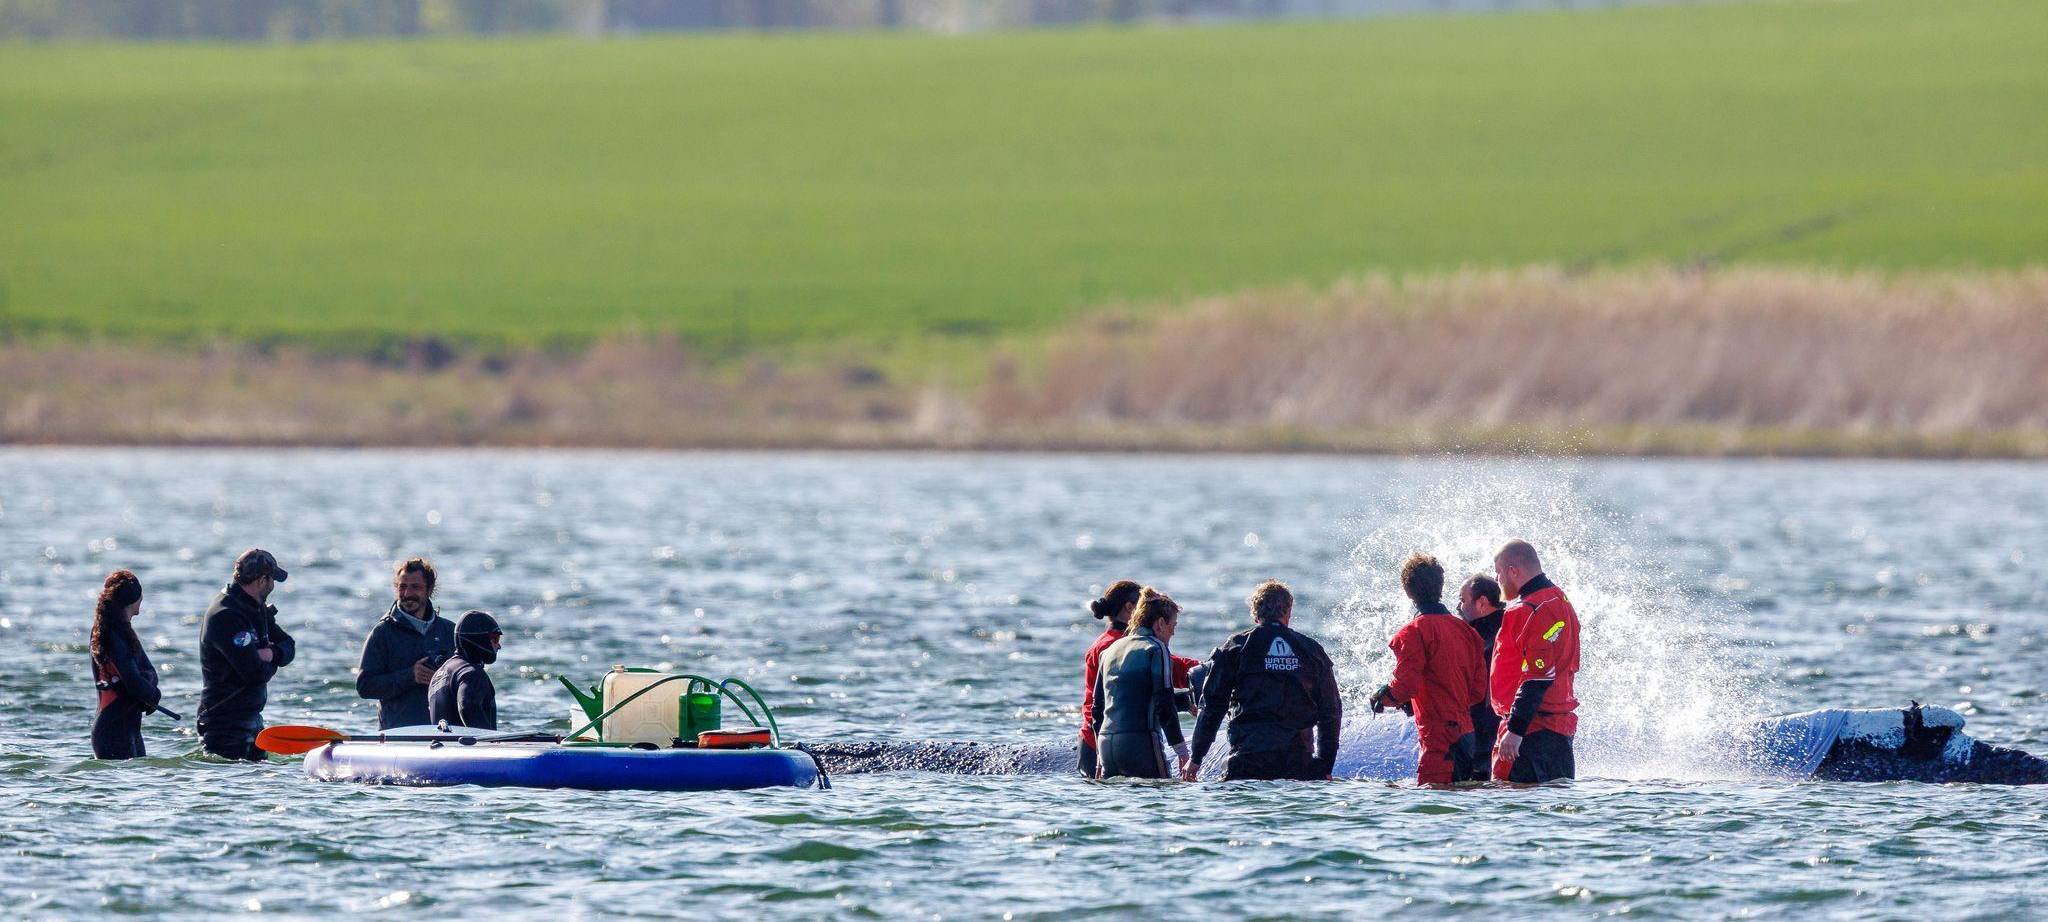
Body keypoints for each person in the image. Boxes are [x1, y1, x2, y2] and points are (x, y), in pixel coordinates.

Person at [1185, 580, 1342, 781]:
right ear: (1289, 612)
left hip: (1248, 762)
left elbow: (1212, 707)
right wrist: (1325, 765)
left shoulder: (1236, 648)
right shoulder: (1312, 650)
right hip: (1299, 763)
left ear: (1255, 614)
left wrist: (1196, 758)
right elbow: (1331, 712)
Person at [1370, 554, 1489, 785]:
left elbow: (1405, 686)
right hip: (1467, 734)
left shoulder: (1412, 632)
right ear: (1441, 588)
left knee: (1432, 807)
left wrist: (1382, 698)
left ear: (1408, 592)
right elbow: (1477, 692)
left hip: (1438, 738)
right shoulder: (1468, 632)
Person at [1080, 580, 1200, 777]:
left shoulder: (1108, 648)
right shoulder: (1141, 647)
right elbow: (1166, 688)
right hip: (1131, 741)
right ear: (1131, 608)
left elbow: (1128, 699)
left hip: (1100, 740)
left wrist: (1186, 702)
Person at [1489, 540, 1582, 784]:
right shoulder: (1560, 599)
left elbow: (1536, 678)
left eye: (1498, 573)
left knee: (1511, 809)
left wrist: (1515, 731)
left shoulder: (1528, 609)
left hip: (1531, 732)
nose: (1497, 580)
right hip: (1557, 732)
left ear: (1513, 571)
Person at [197, 549, 296, 761]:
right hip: (224, 724)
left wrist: (270, 653)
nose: (273, 586)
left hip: (252, 722)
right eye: (272, 580)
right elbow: (254, 673)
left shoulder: (255, 609)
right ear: (262, 580)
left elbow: (289, 646)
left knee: (258, 789)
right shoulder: (227, 614)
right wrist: (267, 660)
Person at [356, 557, 457, 729]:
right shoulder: (382, 633)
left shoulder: (449, 631)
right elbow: (364, 686)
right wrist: (410, 676)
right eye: (402, 587)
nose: (407, 594)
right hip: (399, 735)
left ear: (429, 590)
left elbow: (468, 681)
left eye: (415, 587)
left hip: (444, 733)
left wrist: (442, 681)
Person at [89, 569, 163, 759]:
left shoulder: (124, 631)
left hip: (130, 728)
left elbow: (149, 672)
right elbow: (133, 682)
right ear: (135, 599)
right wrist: (152, 695)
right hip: (112, 730)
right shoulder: (111, 634)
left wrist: (150, 693)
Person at [1457, 574, 1505, 763]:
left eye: (1462, 600)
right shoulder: (1508, 624)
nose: (1459, 607)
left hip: (1487, 736)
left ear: (1482, 603)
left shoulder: (1486, 638)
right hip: (1503, 732)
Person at [428, 610, 502, 730]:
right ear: (480, 639)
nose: (499, 646)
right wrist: (488, 741)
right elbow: (467, 705)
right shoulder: (471, 673)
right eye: (495, 639)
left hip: (439, 746)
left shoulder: (439, 673)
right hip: (470, 747)